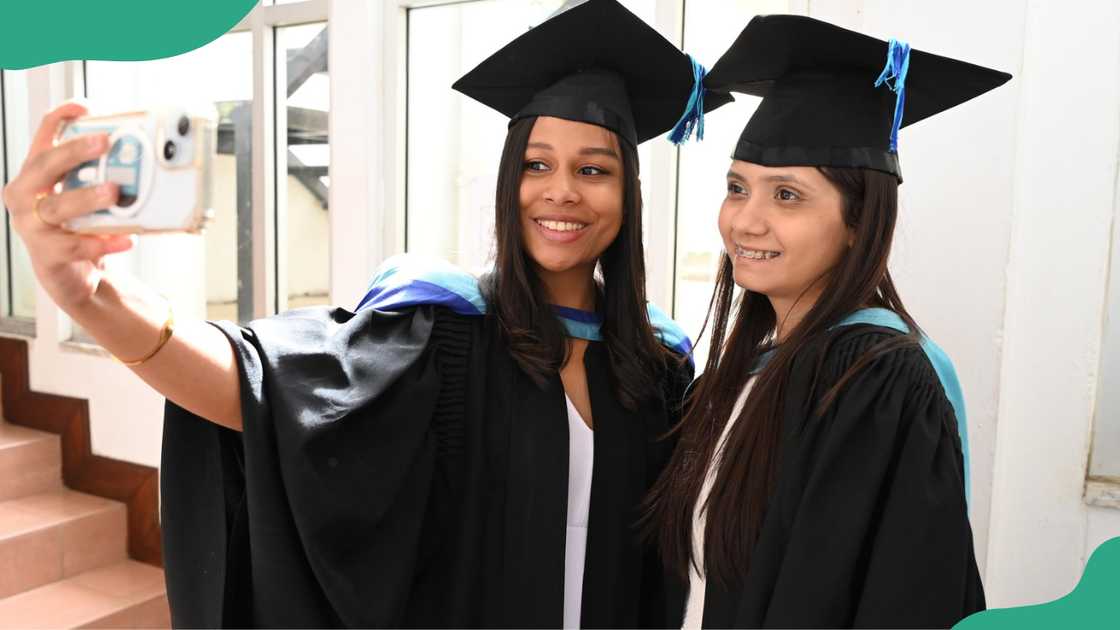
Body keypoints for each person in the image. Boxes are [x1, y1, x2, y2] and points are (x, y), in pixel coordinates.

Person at [0, 0, 731, 627]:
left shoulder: (658, 367)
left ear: (627, 195)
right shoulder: (444, 329)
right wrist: (88, 294)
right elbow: (258, 386)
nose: (561, 191)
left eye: (593, 169)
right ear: (509, 182)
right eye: (537, 164)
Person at [641, 15, 1012, 629]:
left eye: (787, 195)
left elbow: (896, 599)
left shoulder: (877, 380)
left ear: (859, 225)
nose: (746, 221)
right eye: (738, 188)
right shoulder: (748, 373)